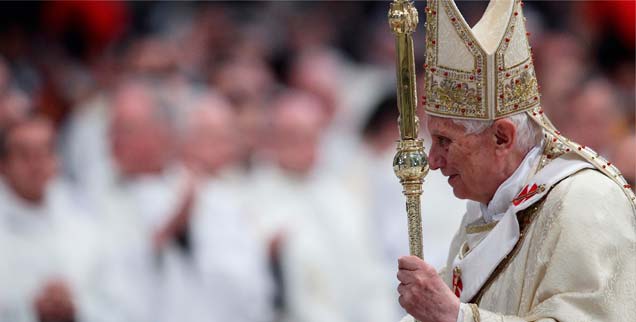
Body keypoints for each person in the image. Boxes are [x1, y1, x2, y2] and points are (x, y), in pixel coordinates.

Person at [397, 1, 636, 322]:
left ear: (502, 138)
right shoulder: (485, 210)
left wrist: (455, 317)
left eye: (445, 141)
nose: (433, 160)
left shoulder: (586, 201)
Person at [0, 116, 110, 322]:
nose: (36, 164)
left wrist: (75, 307)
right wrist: (30, 311)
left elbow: (110, 295)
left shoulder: (82, 217)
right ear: (3, 165)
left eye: (44, 152)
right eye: (24, 155)